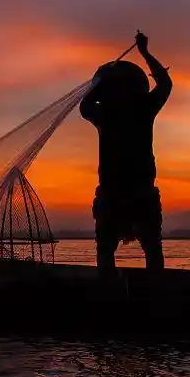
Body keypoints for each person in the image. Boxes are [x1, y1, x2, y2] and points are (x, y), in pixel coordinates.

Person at [79, 30, 172, 284]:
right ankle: (154, 295)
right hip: (135, 194)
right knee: (151, 250)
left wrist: (96, 85)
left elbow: (85, 107)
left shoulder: (105, 115)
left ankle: (112, 295)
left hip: (116, 195)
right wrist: (145, 53)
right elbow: (165, 85)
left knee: (107, 252)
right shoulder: (143, 109)